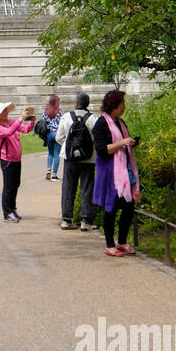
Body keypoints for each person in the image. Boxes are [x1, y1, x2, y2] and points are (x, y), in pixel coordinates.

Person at [92, 89, 141, 257]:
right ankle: (109, 244)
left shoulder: (120, 122)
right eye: (122, 104)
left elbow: (122, 144)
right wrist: (122, 143)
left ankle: (122, 241)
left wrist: (131, 143)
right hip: (110, 173)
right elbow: (101, 149)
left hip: (124, 173)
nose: (124, 107)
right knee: (110, 208)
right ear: (114, 106)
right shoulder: (101, 124)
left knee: (128, 207)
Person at [56, 92, 98, 231]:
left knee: (68, 188)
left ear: (76, 103)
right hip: (88, 159)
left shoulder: (66, 117)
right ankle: (86, 221)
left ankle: (66, 220)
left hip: (70, 159)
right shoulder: (93, 118)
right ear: (88, 104)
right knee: (87, 189)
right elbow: (97, 138)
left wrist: (69, 147)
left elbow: (59, 137)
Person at [0, 100, 35, 222]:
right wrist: (20, 118)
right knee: (8, 187)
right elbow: (9, 132)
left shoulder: (11, 122)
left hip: (16, 159)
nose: (6, 112)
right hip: (7, 160)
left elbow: (26, 129)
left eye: (6, 110)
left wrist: (32, 121)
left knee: (15, 185)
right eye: (3, 111)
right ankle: (7, 212)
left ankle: (12, 209)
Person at [40, 94, 62, 180]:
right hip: (57, 134)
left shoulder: (46, 111)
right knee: (57, 154)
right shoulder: (59, 112)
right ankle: (54, 175)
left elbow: (42, 122)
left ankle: (48, 169)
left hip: (49, 134)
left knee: (50, 153)